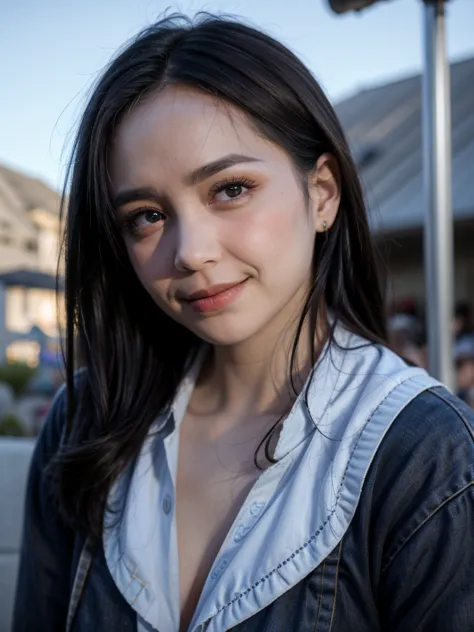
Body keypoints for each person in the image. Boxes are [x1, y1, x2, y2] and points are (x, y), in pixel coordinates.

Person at [13, 14, 474, 632]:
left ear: (323, 193)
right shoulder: (85, 421)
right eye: (146, 216)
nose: (190, 251)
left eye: (230, 189)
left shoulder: (428, 458)